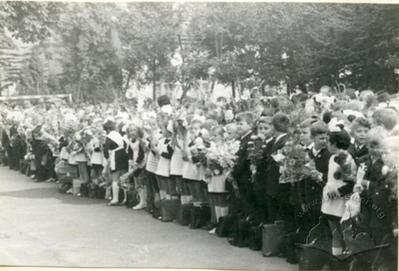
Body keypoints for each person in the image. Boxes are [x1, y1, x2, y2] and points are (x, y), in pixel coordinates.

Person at [321, 129, 357, 256]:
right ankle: (336, 261)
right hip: (330, 201)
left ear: (335, 143)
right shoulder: (332, 158)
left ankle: (347, 260)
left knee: (345, 233)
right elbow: (331, 178)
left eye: (328, 142)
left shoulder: (346, 159)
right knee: (335, 233)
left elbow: (351, 183)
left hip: (342, 200)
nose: (327, 144)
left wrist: (336, 193)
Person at [102, 119, 129, 206]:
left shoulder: (110, 136)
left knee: (115, 177)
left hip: (116, 155)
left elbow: (106, 149)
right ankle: (126, 198)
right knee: (124, 177)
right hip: (123, 154)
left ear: (108, 129)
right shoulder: (118, 134)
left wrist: (107, 159)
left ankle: (115, 199)